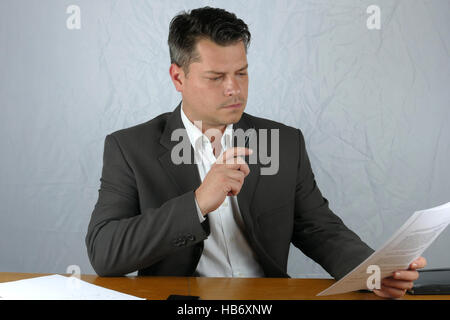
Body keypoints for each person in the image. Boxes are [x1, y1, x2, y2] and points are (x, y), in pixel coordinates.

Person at [85, 6, 426, 299]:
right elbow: (105, 253)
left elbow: (319, 229)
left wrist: (372, 271)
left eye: (241, 73)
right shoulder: (130, 147)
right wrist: (199, 201)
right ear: (178, 77)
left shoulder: (284, 141)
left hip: (264, 301)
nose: (233, 88)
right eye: (216, 77)